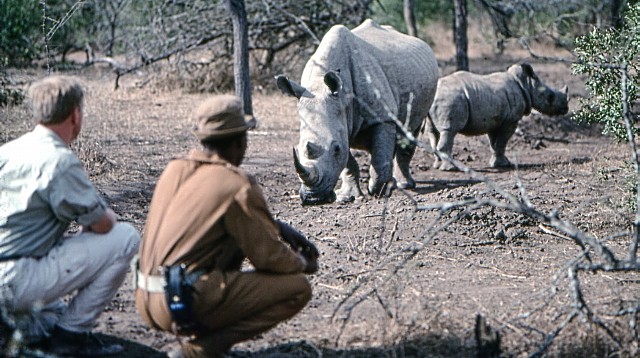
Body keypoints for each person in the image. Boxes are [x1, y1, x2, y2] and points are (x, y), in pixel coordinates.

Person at [135, 94, 319, 358]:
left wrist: (276, 225)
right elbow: (269, 259)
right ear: (240, 142)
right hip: (179, 302)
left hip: (145, 298)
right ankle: (200, 351)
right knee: (297, 288)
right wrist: (302, 262)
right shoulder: (237, 185)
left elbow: (205, 221)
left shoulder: (174, 169)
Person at [0, 76, 141, 356]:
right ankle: (70, 338)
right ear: (75, 114)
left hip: (9, 272)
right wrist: (98, 220)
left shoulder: (7, 150)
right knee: (126, 237)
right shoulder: (59, 160)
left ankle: (25, 328)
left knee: (47, 318)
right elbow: (103, 225)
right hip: (17, 278)